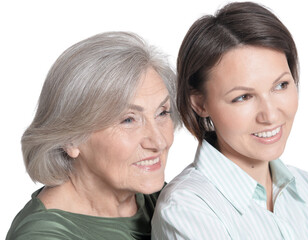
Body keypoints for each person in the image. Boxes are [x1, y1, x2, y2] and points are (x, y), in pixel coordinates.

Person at [152, 2, 308, 239]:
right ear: (200, 104)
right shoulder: (187, 209)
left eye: (281, 85)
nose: (270, 115)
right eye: (243, 97)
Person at [6, 31, 179, 240]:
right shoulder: (42, 236)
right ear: (71, 138)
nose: (159, 142)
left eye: (162, 113)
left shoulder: (168, 200)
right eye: (128, 120)